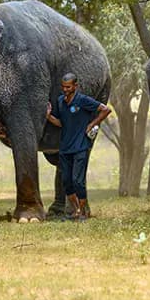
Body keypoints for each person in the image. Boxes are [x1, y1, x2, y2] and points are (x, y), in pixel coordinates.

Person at [45, 73, 111, 221]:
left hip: (80, 146)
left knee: (78, 181)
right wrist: (49, 116)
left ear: (75, 86)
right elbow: (61, 123)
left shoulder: (83, 100)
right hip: (65, 147)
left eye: (68, 87)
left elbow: (105, 110)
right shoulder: (61, 101)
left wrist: (92, 124)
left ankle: (83, 212)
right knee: (67, 182)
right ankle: (75, 211)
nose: (65, 90)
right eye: (63, 87)